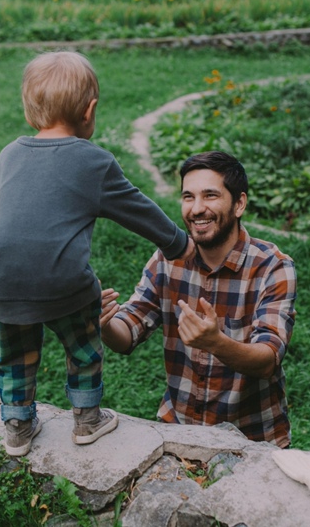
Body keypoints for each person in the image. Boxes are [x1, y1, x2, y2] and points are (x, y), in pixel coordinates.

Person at [0, 51, 195, 456]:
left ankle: (17, 425)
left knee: (16, 352)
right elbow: (138, 209)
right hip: (64, 283)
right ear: (89, 110)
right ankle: (86, 420)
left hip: (1, 280)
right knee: (83, 345)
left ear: (29, 112)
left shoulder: (8, 154)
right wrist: (178, 244)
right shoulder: (93, 161)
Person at [100, 151, 297, 448]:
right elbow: (127, 334)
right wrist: (102, 322)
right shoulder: (168, 260)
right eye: (188, 197)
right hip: (179, 432)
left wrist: (215, 342)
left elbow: (268, 359)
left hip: (254, 440)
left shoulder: (273, 267)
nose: (197, 209)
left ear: (239, 203)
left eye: (210, 196)